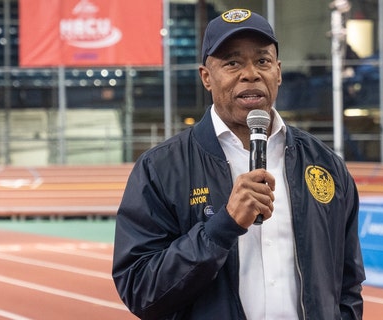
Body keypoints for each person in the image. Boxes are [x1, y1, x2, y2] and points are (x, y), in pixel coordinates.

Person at [112, 8, 365, 320]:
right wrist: (222, 227)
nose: (251, 73)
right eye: (232, 62)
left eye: (262, 61)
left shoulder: (325, 166)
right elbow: (140, 289)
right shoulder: (161, 169)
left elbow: (348, 285)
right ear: (206, 77)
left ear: (279, 71)